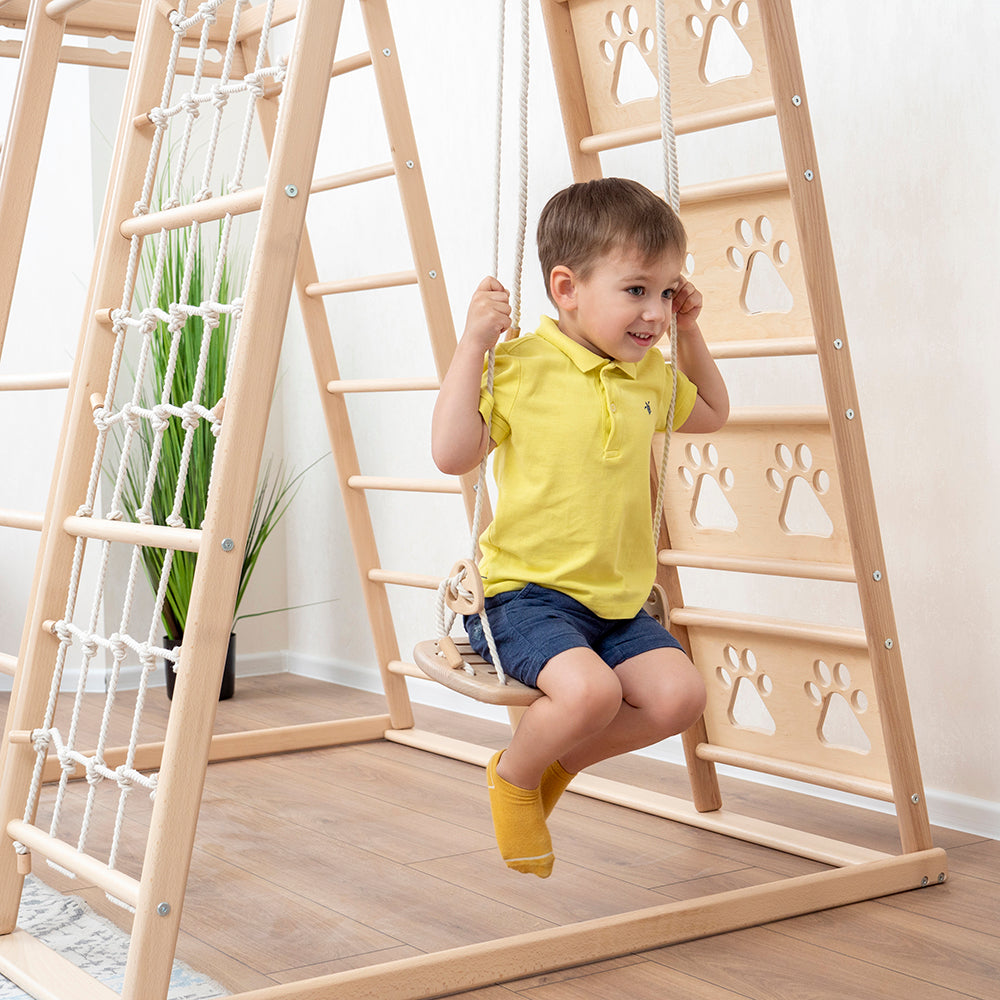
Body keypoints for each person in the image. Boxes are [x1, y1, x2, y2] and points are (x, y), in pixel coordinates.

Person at [432, 177, 729, 878]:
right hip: (521, 596)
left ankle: (548, 765)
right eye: (637, 291)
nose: (655, 311)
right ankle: (512, 778)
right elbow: (451, 453)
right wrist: (472, 346)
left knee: (679, 697)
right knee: (591, 694)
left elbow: (713, 412)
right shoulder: (519, 365)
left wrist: (692, 330)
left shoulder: (649, 375)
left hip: (616, 603)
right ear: (567, 289)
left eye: (667, 292)